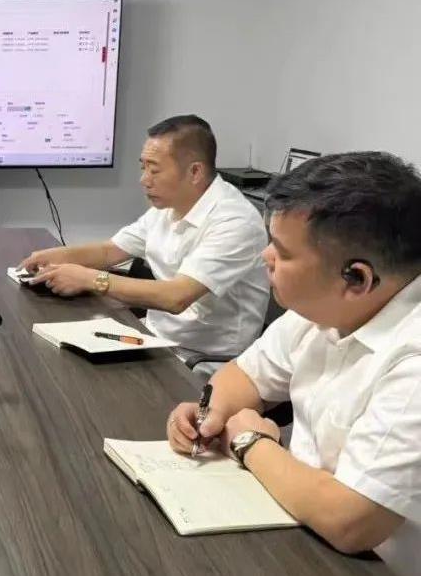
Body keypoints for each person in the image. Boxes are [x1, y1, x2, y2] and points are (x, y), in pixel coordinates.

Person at [166, 151, 421, 571]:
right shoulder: (319, 308)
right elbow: (241, 377)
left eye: (282, 253)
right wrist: (210, 419)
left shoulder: (412, 358)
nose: (265, 257)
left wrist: (249, 442)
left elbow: (350, 521)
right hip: (299, 525)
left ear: (357, 278)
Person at [21, 115, 270, 359]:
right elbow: (110, 251)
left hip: (202, 360)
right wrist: (54, 256)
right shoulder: (169, 206)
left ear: (195, 172)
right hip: (153, 337)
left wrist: (90, 279)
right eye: (144, 168)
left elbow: (176, 297)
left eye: (154, 170)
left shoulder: (235, 221)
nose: (144, 180)